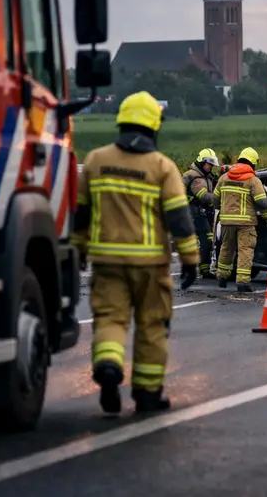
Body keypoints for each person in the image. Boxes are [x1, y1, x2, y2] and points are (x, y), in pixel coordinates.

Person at [71, 91, 200, 414]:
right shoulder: (162, 167)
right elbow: (179, 220)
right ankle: (147, 393)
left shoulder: (96, 161)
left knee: (110, 320)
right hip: (150, 265)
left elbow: (81, 216)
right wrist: (190, 260)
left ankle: (109, 367)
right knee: (152, 327)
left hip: (107, 262)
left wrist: (78, 252)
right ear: (153, 128)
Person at [213, 147, 267, 291]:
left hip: (226, 221)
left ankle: (221, 277)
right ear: (252, 163)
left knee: (226, 248)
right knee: (245, 250)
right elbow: (263, 202)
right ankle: (243, 283)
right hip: (246, 223)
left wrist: (223, 209)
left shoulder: (224, 178)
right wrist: (266, 216)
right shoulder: (253, 180)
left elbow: (215, 199)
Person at [181, 148, 220, 286]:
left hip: (200, 212)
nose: (210, 167)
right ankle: (201, 269)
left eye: (211, 165)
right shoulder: (196, 177)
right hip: (194, 212)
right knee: (206, 239)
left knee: (202, 241)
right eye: (208, 164)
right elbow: (205, 197)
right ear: (201, 162)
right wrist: (221, 198)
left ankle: (203, 268)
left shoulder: (205, 175)